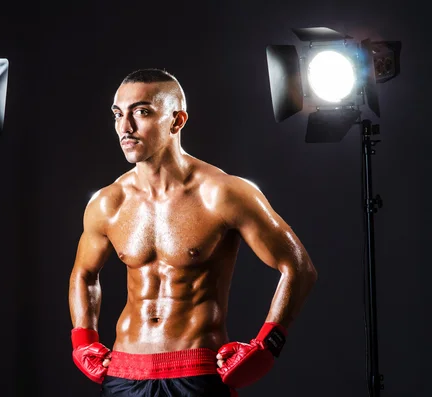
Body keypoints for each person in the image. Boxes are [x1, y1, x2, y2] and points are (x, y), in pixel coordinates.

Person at [68, 68, 317, 397]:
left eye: (141, 112)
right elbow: (83, 274)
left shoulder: (223, 193)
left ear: (177, 120)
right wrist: (83, 341)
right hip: (123, 373)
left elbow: (298, 267)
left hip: (195, 372)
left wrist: (268, 343)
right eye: (118, 114)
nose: (125, 128)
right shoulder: (108, 202)